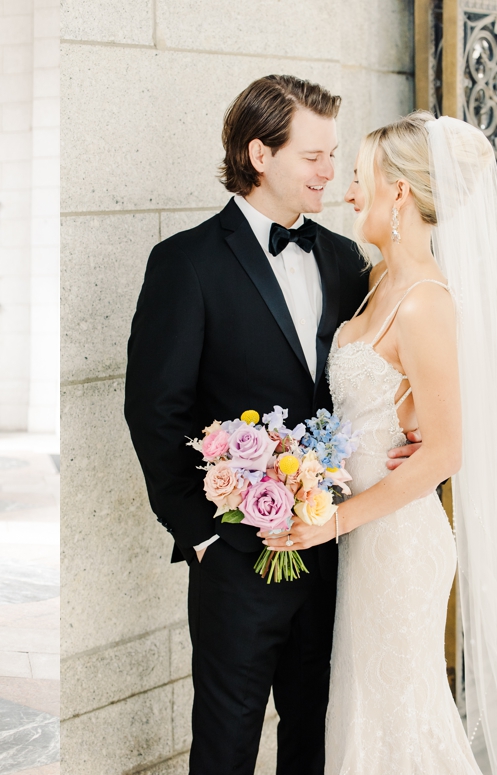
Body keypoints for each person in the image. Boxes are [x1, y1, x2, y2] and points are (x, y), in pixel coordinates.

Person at [124, 75, 418, 774]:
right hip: (236, 557)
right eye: (313, 156)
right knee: (226, 746)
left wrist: (404, 434)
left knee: (316, 738)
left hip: (338, 550)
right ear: (261, 155)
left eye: (334, 155)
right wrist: (201, 536)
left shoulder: (346, 260)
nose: (330, 173)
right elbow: (153, 410)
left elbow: (379, 369)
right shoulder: (184, 263)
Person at [271, 113, 497, 772]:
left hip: (399, 545)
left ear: (398, 193)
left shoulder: (426, 300)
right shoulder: (380, 281)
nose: (349, 192)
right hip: (364, 541)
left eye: (359, 178)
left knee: (400, 717)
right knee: (368, 713)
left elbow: (444, 451)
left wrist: (335, 519)